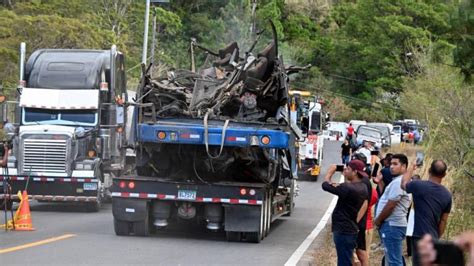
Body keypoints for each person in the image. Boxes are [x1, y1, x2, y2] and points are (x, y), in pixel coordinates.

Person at [401, 160, 452, 265]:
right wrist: (437, 236)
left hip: (419, 235)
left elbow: (403, 184)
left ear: (429, 171)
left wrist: (411, 167)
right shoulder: (447, 195)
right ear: (444, 174)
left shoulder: (418, 185)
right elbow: (443, 220)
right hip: (433, 236)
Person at [322, 160, 369, 266]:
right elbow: (344, 189)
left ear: (355, 171)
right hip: (351, 228)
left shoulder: (347, 188)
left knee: (344, 261)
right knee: (347, 258)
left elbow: (325, 185)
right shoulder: (363, 187)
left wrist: (330, 172)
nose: (345, 170)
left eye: (348, 169)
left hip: (343, 229)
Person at [374, 154, 411, 266]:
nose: (391, 167)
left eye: (395, 164)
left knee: (394, 261)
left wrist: (378, 220)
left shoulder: (398, 182)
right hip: (393, 225)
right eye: (391, 164)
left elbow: (391, 205)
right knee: (392, 259)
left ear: (404, 166)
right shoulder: (399, 181)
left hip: (392, 225)